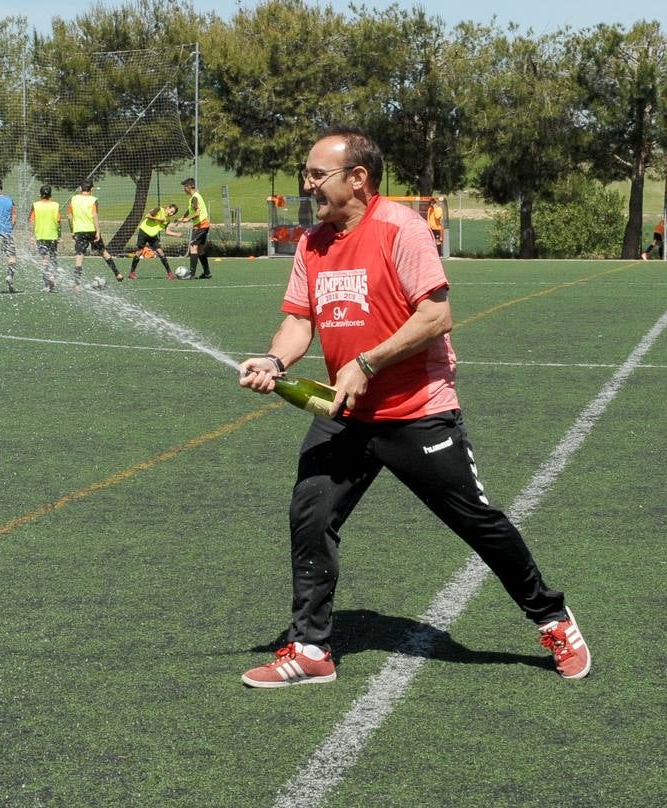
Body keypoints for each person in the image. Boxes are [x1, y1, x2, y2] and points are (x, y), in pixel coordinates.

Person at [236, 125, 590, 687]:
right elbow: (299, 320)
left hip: (417, 409)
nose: (307, 184)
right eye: (306, 173)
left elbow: (436, 316)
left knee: (476, 522)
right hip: (345, 414)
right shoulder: (312, 243)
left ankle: (551, 616)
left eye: (317, 174)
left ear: (358, 177)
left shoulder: (400, 228)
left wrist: (367, 362)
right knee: (311, 515)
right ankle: (310, 648)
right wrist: (276, 361)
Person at [68, 181, 122, 287]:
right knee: (103, 252)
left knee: (79, 256)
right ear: (91, 189)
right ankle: (117, 273)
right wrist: (98, 231)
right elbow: (95, 215)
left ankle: (77, 283)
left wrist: (72, 230)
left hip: (79, 231)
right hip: (92, 230)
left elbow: (69, 216)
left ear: (80, 188)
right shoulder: (93, 200)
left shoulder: (73, 199)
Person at [126, 203, 181, 280]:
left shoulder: (167, 220)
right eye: (171, 211)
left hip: (153, 236)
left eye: (173, 213)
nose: (171, 214)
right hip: (144, 232)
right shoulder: (159, 209)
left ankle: (169, 273)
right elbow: (147, 216)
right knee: (139, 252)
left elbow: (167, 231)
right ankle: (131, 273)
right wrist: (159, 219)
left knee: (160, 252)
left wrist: (176, 234)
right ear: (168, 208)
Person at [176, 177, 212, 279]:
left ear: (189, 187)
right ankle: (207, 273)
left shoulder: (195, 198)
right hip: (203, 225)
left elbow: (197, 212)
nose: (184, 189)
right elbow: (190, 210)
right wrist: (183, 217)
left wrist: (188, 219)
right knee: (200, 250)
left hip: (200, 225)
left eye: (185, 187)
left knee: (193, 247)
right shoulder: (194, 197)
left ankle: (191, 274)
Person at [29, 185, 61, 292]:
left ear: (40, 194)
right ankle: (53, 279)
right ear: (50, 194)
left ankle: (47, 283)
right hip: (53, 236)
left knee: (44, 259)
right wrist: (59, 235)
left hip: (40, 236)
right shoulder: (56, 205)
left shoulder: (35, 205)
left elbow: (31, 222)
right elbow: (59, 222)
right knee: (53, 258)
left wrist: (31, 236)